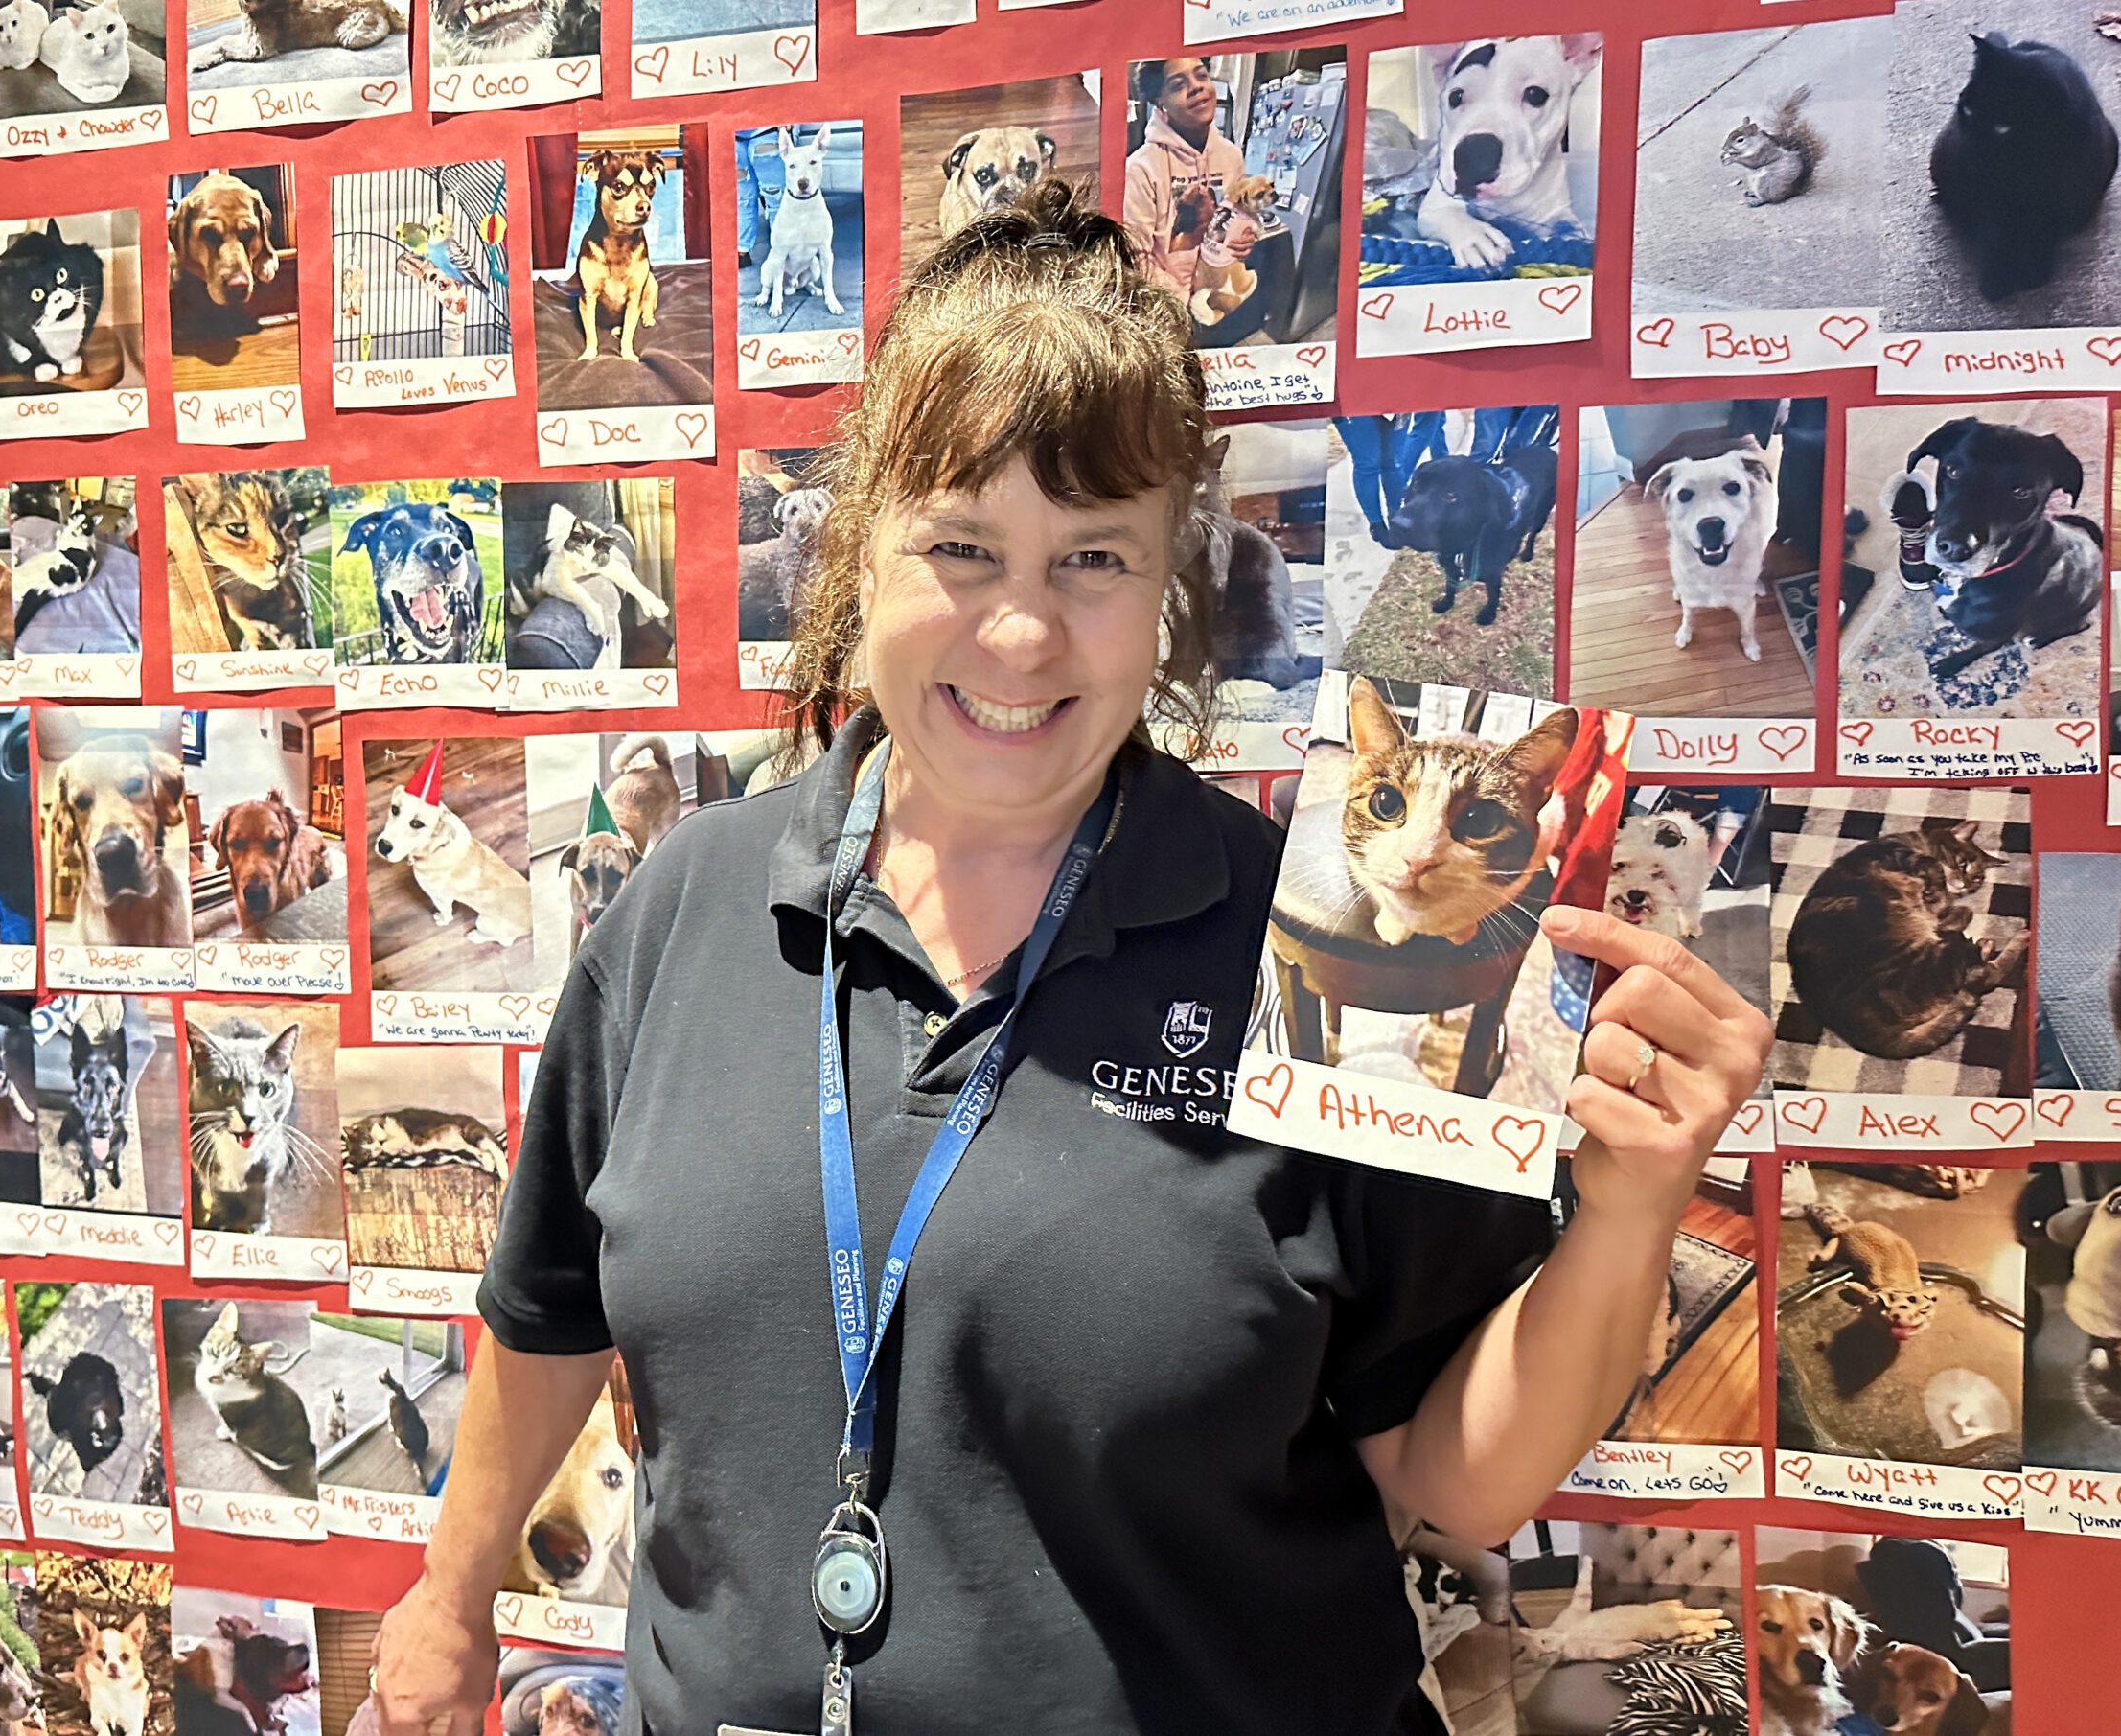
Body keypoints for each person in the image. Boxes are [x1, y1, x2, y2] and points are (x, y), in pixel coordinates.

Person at [370, 181, 1770, 1735]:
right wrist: (449, 1590)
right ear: (864, 545)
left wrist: (1629, 1211)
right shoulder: (685, 906)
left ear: (1171, 580)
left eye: (1093, 558)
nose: (1022, 634)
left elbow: (1456, 1475)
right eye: (963, 547)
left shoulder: (1305, 945)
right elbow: (548, 1307)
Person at [1122, 57, 1251, 301]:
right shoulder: (1140, 168)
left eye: (1201, 76)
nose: (1196, 88)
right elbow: (1137, 259)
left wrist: (1242, 240)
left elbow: (1234, 226)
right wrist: (1185, 301)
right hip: (1168, 305)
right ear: (1160, 102)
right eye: (1178, 85)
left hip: (1220, 296)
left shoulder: (1232, 156)